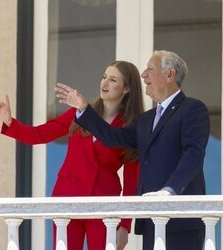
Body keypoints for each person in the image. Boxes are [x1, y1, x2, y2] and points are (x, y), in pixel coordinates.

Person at [55, 50, 210, 250]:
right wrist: (85, 109)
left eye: (150, 69)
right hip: (151, 220)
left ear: (169, 75)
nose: (143, 74)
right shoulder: (146, 120)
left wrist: (169, 191)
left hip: (181, 221)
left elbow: (193, 156)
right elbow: (114, 138)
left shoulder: (192, 109)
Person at [0, 60, 144, 250]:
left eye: (113, 80)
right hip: (67, 197)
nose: (104, 83)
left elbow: (132, 183)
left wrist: (125, 225)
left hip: (104, 203)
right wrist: (10, 123)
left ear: (126, 88)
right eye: (104, 77)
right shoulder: (78, 112)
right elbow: (39, 134)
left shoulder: (130, 128)